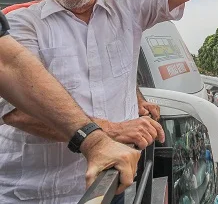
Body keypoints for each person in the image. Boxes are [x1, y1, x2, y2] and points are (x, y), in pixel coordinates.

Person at [1, 0, 218, 202]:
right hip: (38, 193)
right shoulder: (22, 24)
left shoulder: (125, 11)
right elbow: (17, 111)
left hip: (114, 182)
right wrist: (112, 131)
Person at [0, 25, 140, 194]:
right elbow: (16, 109)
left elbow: (8, 64)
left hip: (104, 184)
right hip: (34, 191)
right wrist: (102, 137)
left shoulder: (118, 15)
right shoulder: (24, 21)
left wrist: (137, 95)